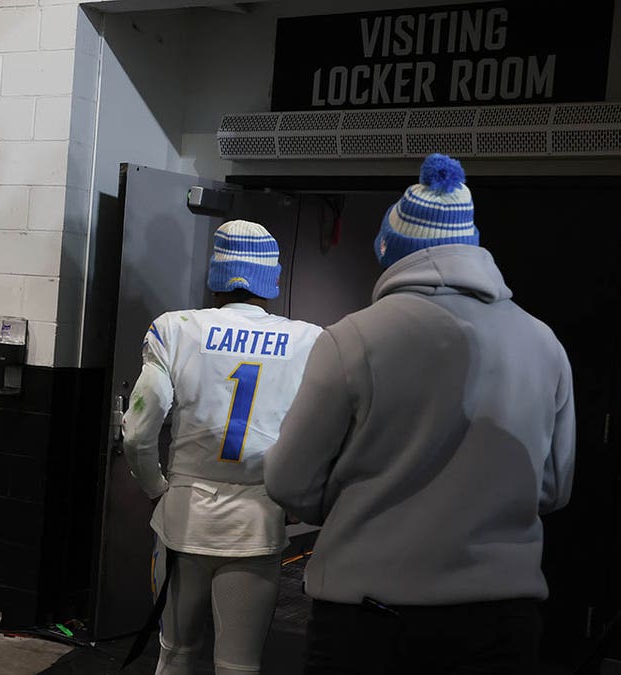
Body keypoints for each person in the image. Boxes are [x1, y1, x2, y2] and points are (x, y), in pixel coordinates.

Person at [264, 154, 576, 675]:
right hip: (500, 619)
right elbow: (553, 488)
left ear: (393, 251)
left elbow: (289, 480)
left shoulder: (354, 337)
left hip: (371, 618)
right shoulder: (543, 342)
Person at [122, 219, 323, 675]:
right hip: (257, 521)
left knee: (175, 653)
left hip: (183, 517)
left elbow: (136, 431)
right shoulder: (310, 340)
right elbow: (321, 439)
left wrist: (158, 488)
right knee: (238, 665)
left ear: (216, 274)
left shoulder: (175, 329)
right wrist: (298, 499)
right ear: (269, 278)